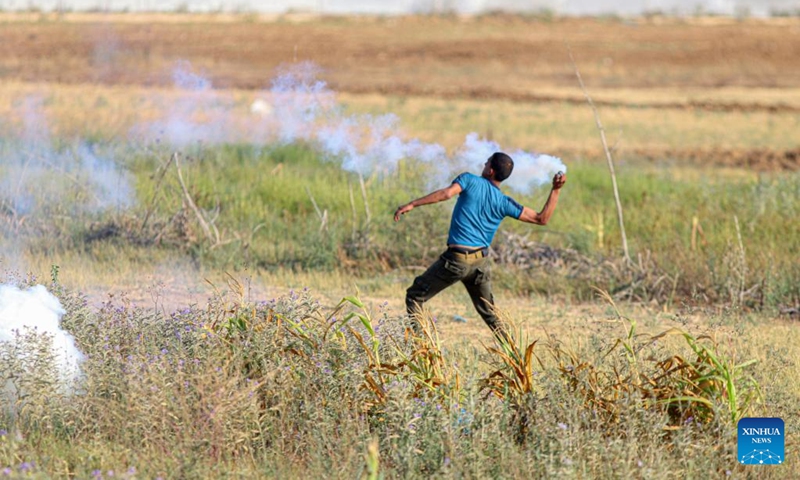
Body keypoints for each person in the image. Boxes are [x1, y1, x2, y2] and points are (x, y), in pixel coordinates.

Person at [393, 152, 567, 338]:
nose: (483, 163)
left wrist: (412, 204)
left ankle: (422, 350)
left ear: (491, 171)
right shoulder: (504, 202)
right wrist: (556, 190)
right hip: (480, 264)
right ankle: (515, 355)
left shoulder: (468, 180)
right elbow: (541, 219)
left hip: (456, 260)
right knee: (491, 315)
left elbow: (445, 194)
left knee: (415, 296)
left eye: (487, 162)